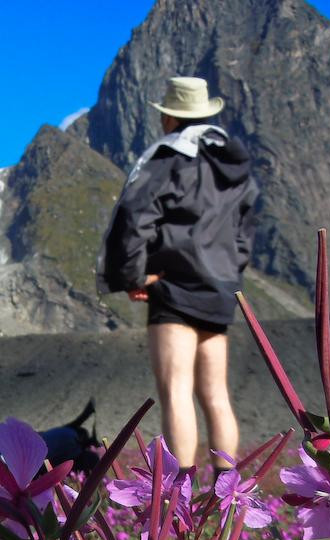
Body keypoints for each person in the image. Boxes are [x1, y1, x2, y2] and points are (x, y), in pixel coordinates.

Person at [97, 76, 259, 474]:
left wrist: (134, 277)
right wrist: (227, 275)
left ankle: (179, 494)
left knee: (176, 392)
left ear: (170, 117)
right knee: (217, 396)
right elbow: (244, 235)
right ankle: (227, 497)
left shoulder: (168, 158)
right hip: (220, 289)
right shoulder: (234, 168)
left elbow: (136, 216)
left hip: (175, 285)